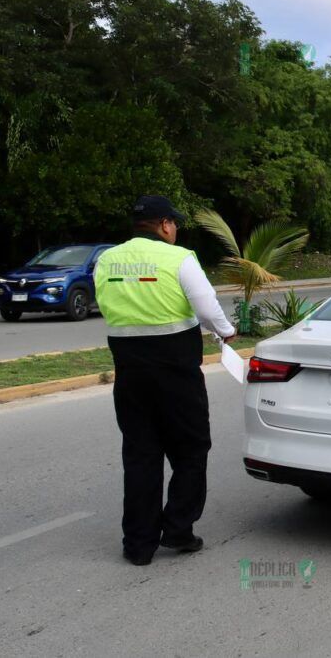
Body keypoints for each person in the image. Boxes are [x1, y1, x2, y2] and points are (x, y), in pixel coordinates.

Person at [95, 195, 237, 566]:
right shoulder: (179, 258)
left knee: (141, 455)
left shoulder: (106, 259)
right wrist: (227, 331)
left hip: (129, 372)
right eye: (174, 224)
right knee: (191, 448)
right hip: (175, 371)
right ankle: (177, 529)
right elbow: (206, 306)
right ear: (166, 225)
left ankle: (138, 546)